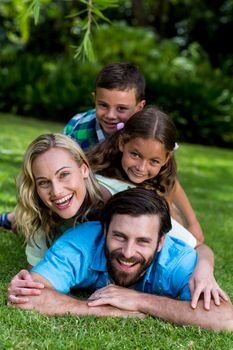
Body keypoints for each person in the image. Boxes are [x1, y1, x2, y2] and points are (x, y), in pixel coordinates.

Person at [7, 188, 233, 331]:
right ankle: (12, 221)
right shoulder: (79, 245)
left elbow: (226, 318)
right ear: (105, 230)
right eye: (119, 236)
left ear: (161, 243)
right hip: (56, 230)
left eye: (143, 241)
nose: (127, 252)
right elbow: (25, 298)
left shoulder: (177, 260)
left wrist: (139, 301)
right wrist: (107, 311)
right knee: (30, 226)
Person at [0, 62, 146, 231]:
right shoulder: (79, 126)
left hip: (119, 195)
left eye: (121, 108)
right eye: (103, 105)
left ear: (139, 107)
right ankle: (17, 218)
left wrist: (185, 219)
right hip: (78, 193)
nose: (111, 115)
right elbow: (54, 166)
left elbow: (166, 176)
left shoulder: (145, 133)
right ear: (94, 99)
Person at [87, 105, 204, 245]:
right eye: (135, 155)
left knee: (193, 242)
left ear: (166, 158)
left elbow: (172, 184)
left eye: (154, 161)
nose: (141, 168)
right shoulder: (101, 175)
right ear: (122, 143)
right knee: (189, 242)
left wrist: (193, 223)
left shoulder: (163, 174)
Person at [14, 133, 102, 268]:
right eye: (43, 182)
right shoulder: (41, 216)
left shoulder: (113, 205)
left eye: (64, 174)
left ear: (84, 170)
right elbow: (37, 275)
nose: (56, 192)